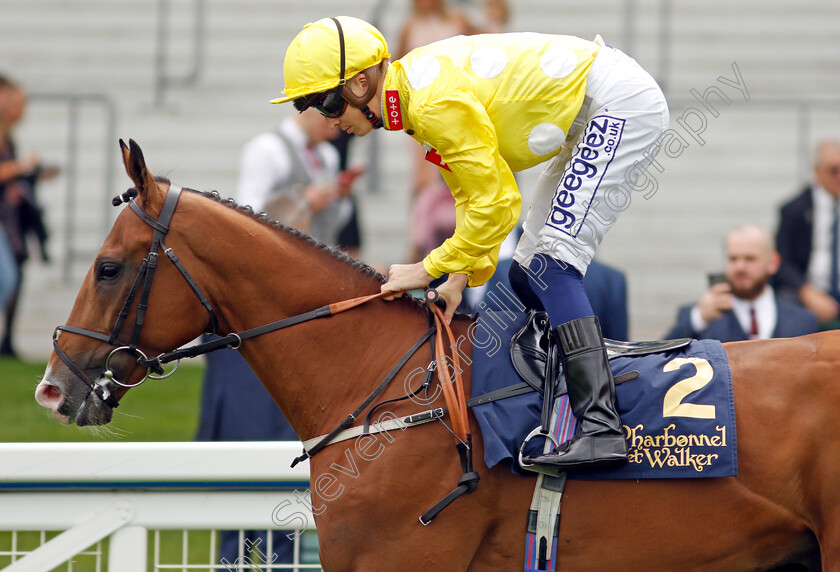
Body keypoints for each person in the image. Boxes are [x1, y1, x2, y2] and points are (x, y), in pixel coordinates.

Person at [271, 17, 669, 472]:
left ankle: (602, 428)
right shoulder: (415, 98)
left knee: (552, 267)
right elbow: (475, 196)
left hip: (617, 104)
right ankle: (558, 405)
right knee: (526, 273)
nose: (329, 119)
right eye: (314, 109)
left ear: (361, 83)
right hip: (595, 106)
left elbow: (498, 205)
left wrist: (428, 267)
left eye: (327, 102)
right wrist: (459, 277)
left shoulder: (429, 102)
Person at [396, 0, 473, 262]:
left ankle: (460, 240)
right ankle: (419, 245)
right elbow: (396, 66)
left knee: (454, 172)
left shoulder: (458, 21)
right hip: (421, 115)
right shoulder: (410, 26)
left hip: (453, 110)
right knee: (423, 180)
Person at [235, 106, 364, 247]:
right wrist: (304, 203)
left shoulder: (328, 154)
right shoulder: (266, 148)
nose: (333, 134)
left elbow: (334, 223)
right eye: (328, 122)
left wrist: (340, 196)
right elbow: (247, 213)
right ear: (309, 110)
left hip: (320, 259)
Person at [667, 223, 819, 342]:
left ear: (773, 263)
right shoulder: (699, 317)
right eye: (733, 259)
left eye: (750, 258)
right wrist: (699, 318)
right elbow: (660, 360)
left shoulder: (804, 322)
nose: (740, 267)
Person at [0, 75, 55, 358]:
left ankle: (6, 341)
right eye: (16, 100)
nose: (20, 108)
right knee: (7, 278)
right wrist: (23, 166)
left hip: (8, 220)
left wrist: (32, 174)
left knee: (11, 277)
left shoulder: (8, 137)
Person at [775, 140, 840, 327]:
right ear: (817, 172)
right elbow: (781, 262)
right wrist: (806, 291)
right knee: (785, 303)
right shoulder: (794, 210)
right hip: (807, 290)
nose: (838, 177)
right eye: (833, 170)